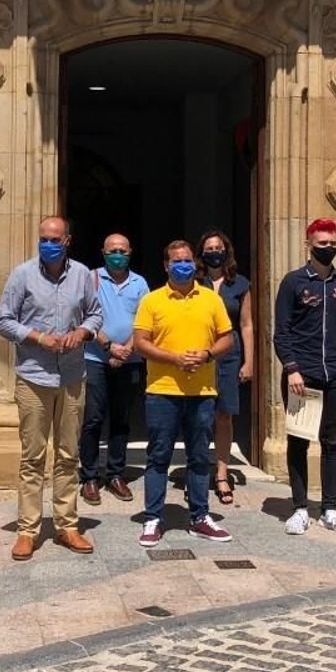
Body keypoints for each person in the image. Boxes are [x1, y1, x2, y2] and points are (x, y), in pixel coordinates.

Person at [0, 215, 105, 560]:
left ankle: (67, 525)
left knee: (68, 455)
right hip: (34, 377)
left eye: (55, 239)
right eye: (44, 238)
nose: (48, 244)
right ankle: (27, 530)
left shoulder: (83, 275)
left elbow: (96, 314)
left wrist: (82, 332)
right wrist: (37, 337)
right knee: (33, 457)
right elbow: (3, 319)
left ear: (67, 241)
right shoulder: (22, 274)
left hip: (71, 376)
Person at [132, 240, 237, 547]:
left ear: (195, 263)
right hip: (162, 391)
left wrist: (206, 355)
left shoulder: (210, 299)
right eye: (176, 261)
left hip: (202, 391)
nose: (183, 265)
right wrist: (174, 359)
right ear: (166, 265)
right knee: (159, 456)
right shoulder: (152, 300)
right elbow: (140, 342)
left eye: (188, 260)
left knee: (199, 456)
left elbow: (227, 339)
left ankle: (200, 517)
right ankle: (153, 517)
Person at [272, 218, 336, 535]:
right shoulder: (293, 282)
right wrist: (291, 368)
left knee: (333, 441)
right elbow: (281, 332)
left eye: (332, 243)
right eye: (322, 243)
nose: (328, 248)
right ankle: (300, 508)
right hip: (302, 375)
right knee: (299, 440)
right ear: (309, 245)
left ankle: (329, 508)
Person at [80, 233, 149, 506]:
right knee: (93, 418)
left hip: (129, 360)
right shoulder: (91, 278)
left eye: (122, 250)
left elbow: (145, 320)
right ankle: (89, 476)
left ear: (130, 252)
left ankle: (116, 474)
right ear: (103, 252)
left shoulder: (139, 283)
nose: (117, 255)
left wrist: (127, 349)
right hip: (95, 358)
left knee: (121, 420)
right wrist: (109, 347)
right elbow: (83, 315)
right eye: (112, 251)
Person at [199, 230, 254, 505]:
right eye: (209, 248)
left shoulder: (240, 283)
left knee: (224, 415)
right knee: (199, 416)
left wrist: (249, 361)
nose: (214, 252)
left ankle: (222, 474)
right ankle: (197, 473)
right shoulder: (194, 282)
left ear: (226, 251)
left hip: (230, 355)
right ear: (202, 253)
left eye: (218, 248)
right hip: (200, 352)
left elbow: (246, 324)